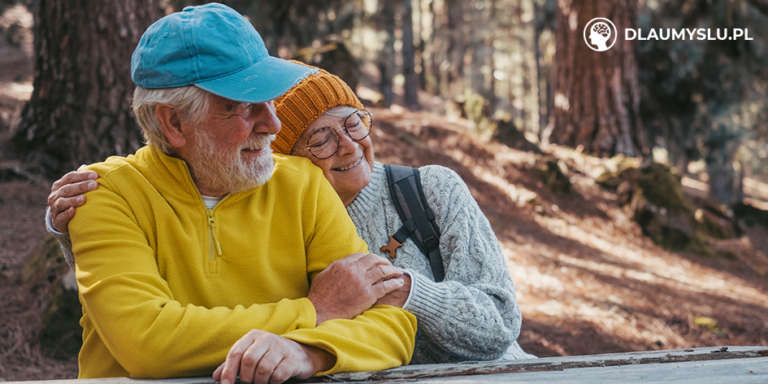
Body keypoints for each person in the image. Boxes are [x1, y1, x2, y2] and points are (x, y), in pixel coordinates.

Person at [49, 65, 535, 364]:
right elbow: (147, 317)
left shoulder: (428, 189)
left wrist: (403, 288)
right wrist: (76, 229)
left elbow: (496, 324)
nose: (349, 145)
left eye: (353, 122)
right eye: (320, 137)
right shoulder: (282, 195)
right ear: (283, 155)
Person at [45, 3, 417, 383]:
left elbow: (393, 326)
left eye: (270, 99)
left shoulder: (303, 184)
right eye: (243, 106)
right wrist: (316, 311)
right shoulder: (104, 194)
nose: (273, 123)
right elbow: (148, 342)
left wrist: (309, 352)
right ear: (173, 122)